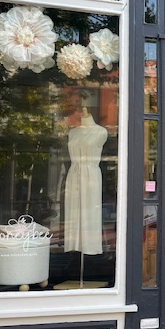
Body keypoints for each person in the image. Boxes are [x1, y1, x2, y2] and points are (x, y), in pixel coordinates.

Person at [64, 107, 108, 255]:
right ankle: (74, 244)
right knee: (73, 210)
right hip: (74, 173)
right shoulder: (72, 132)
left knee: (90, 211)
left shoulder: (101, 132)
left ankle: (90, 246)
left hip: (90, 175)